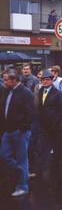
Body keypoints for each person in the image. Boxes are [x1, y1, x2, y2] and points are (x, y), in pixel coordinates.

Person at [0, 68, 34, 197]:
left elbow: (31, 114)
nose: (4, 82)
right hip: (7, 131)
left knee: (22, 159)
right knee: (4, 156)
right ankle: (21, 173)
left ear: (14, 80)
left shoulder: (26, 93)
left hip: (20, 131)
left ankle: (23, 186)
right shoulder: (6, 91)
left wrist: (22, 128)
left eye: (6, 80)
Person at [38, 69, 62, 172]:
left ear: (52, 80)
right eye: (43, 80)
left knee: (60, 145)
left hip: (57, 125)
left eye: (47, 80)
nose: (45, 82)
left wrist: (58, 123)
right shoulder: (40, 91)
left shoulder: (57, 93)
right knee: (50, 145)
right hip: (45, 124)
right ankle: (55, 163)